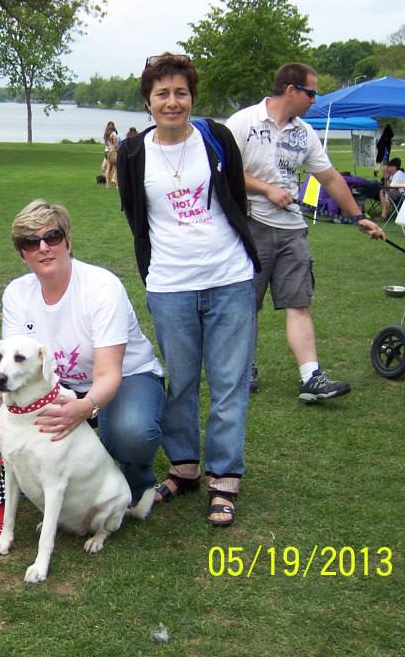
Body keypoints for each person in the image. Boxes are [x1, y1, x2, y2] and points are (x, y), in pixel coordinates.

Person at [118, 53, 261, 526]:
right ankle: (183, 467)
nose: (172, 102)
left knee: (229, 383)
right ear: (148, 101)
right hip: (170, 285)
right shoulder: (133, 152)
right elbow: (136, 215)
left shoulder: (215, 138)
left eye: (181, 92)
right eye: (162, 94)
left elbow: (235, 198)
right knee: (179, 382)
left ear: (192, 98)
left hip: (230, 278)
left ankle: (224, 477)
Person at [0, 199, 165, 504]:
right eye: (31, 242)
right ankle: (35, 476)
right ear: (22, 253)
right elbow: (14, 365)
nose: (43, 248)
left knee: (131, 430)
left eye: (52, 237)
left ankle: (134, 480)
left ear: (67, 240)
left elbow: (108, 372)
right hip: (58, 383)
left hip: (125, 377)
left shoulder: (101, 287)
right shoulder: (17, 292)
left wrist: (84, 407)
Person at [225, 63, 384, 401]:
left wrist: (358, 216)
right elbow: (224, 171)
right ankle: (244, 368)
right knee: (246, 304)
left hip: (292, 230)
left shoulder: (305, 133)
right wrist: (266, 189)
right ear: (291, 90)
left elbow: (330, 178)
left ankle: (311, 377)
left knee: (298, 303)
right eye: (311, 93)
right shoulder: (243, 122)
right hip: (251, 226)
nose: (314, 100)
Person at [103, 121, 119, 189]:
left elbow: (106, 144)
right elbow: (115, 145)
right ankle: (117, 185)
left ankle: (107, 185)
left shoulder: (106, 134)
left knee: (108, 169)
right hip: (112, 152)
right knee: (116, 169)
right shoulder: (113, 134)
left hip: (107, 152)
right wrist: (118, 151)